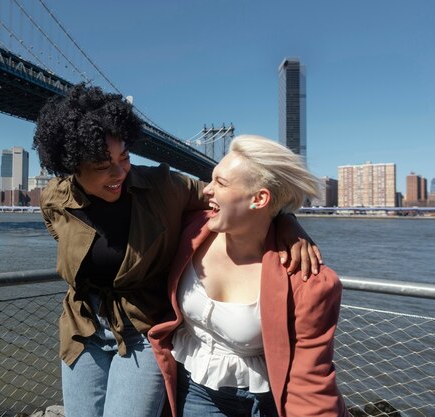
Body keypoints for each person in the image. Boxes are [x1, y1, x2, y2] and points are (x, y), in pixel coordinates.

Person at [33, 84, 322, 417]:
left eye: (124, 157)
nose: (118, 173)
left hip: (140, 330)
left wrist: (288, 223)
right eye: (102, 166)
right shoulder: (54, 199)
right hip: (82, 328)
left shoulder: (162, 187)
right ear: (73, 167)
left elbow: (235, 200)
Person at [149, 135, 348, 417]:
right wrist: (287, 219)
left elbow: (311, 382)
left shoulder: (307, 280)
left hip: (263, 401)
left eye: (220, 183)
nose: (206, 190)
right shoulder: (191, 229)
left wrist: (286, 219)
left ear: (259, 198)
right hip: (191, 387)